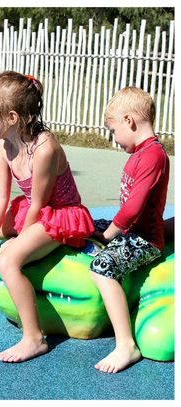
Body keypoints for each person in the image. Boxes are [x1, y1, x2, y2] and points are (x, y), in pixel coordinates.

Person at [0, 71, 94, 362]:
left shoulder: (45, 149)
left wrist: (16, 243)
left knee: (8, 259)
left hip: (59, 215)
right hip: (32, 208)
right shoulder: (3, 142)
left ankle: (34, 338)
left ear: (12, 117)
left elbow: (39, 206)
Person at [89, 87, 170, 373]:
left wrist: (109, 234)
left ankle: (126, 345)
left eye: (113, 130)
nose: (114, 138)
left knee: (101, 266)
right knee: (87, 225)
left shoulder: (153, 155)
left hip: (144, 239)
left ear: (130, 121)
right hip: (131, 232)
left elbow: (134, 208)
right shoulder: (141, 153)